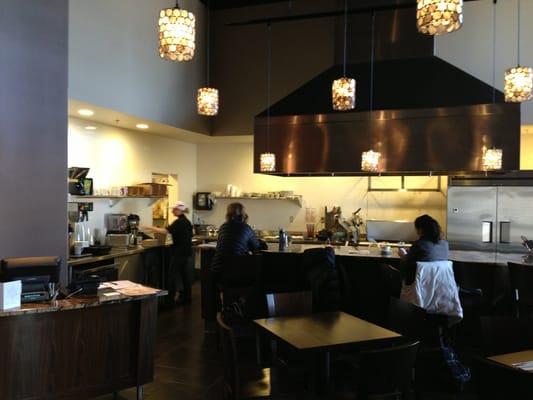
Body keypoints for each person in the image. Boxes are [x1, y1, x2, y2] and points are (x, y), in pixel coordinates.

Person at [144, 201, 193, 306]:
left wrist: (150, 228)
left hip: (179, 253)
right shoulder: (187, 222)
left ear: (180, 210)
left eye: (174, 209)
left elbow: (166, 231)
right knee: (184, 276)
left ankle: (170, 300)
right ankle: (187, 297)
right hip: (186, 252)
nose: (172, 211)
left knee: (172, 276)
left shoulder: (179, 222)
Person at [211, 202, 266, 283]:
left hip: (217, 270)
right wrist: (262, 242)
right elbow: (256, 246)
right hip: (237, 272)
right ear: (243, 215)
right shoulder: (246, 228)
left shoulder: (223, 227)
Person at [399, 214, 449, 285]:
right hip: (440, 284)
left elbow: (407, 265)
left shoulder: (419, 244)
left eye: (416, 229)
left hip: (418, 284)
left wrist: (403, 256)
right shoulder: (445, 244)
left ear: (420, 230)